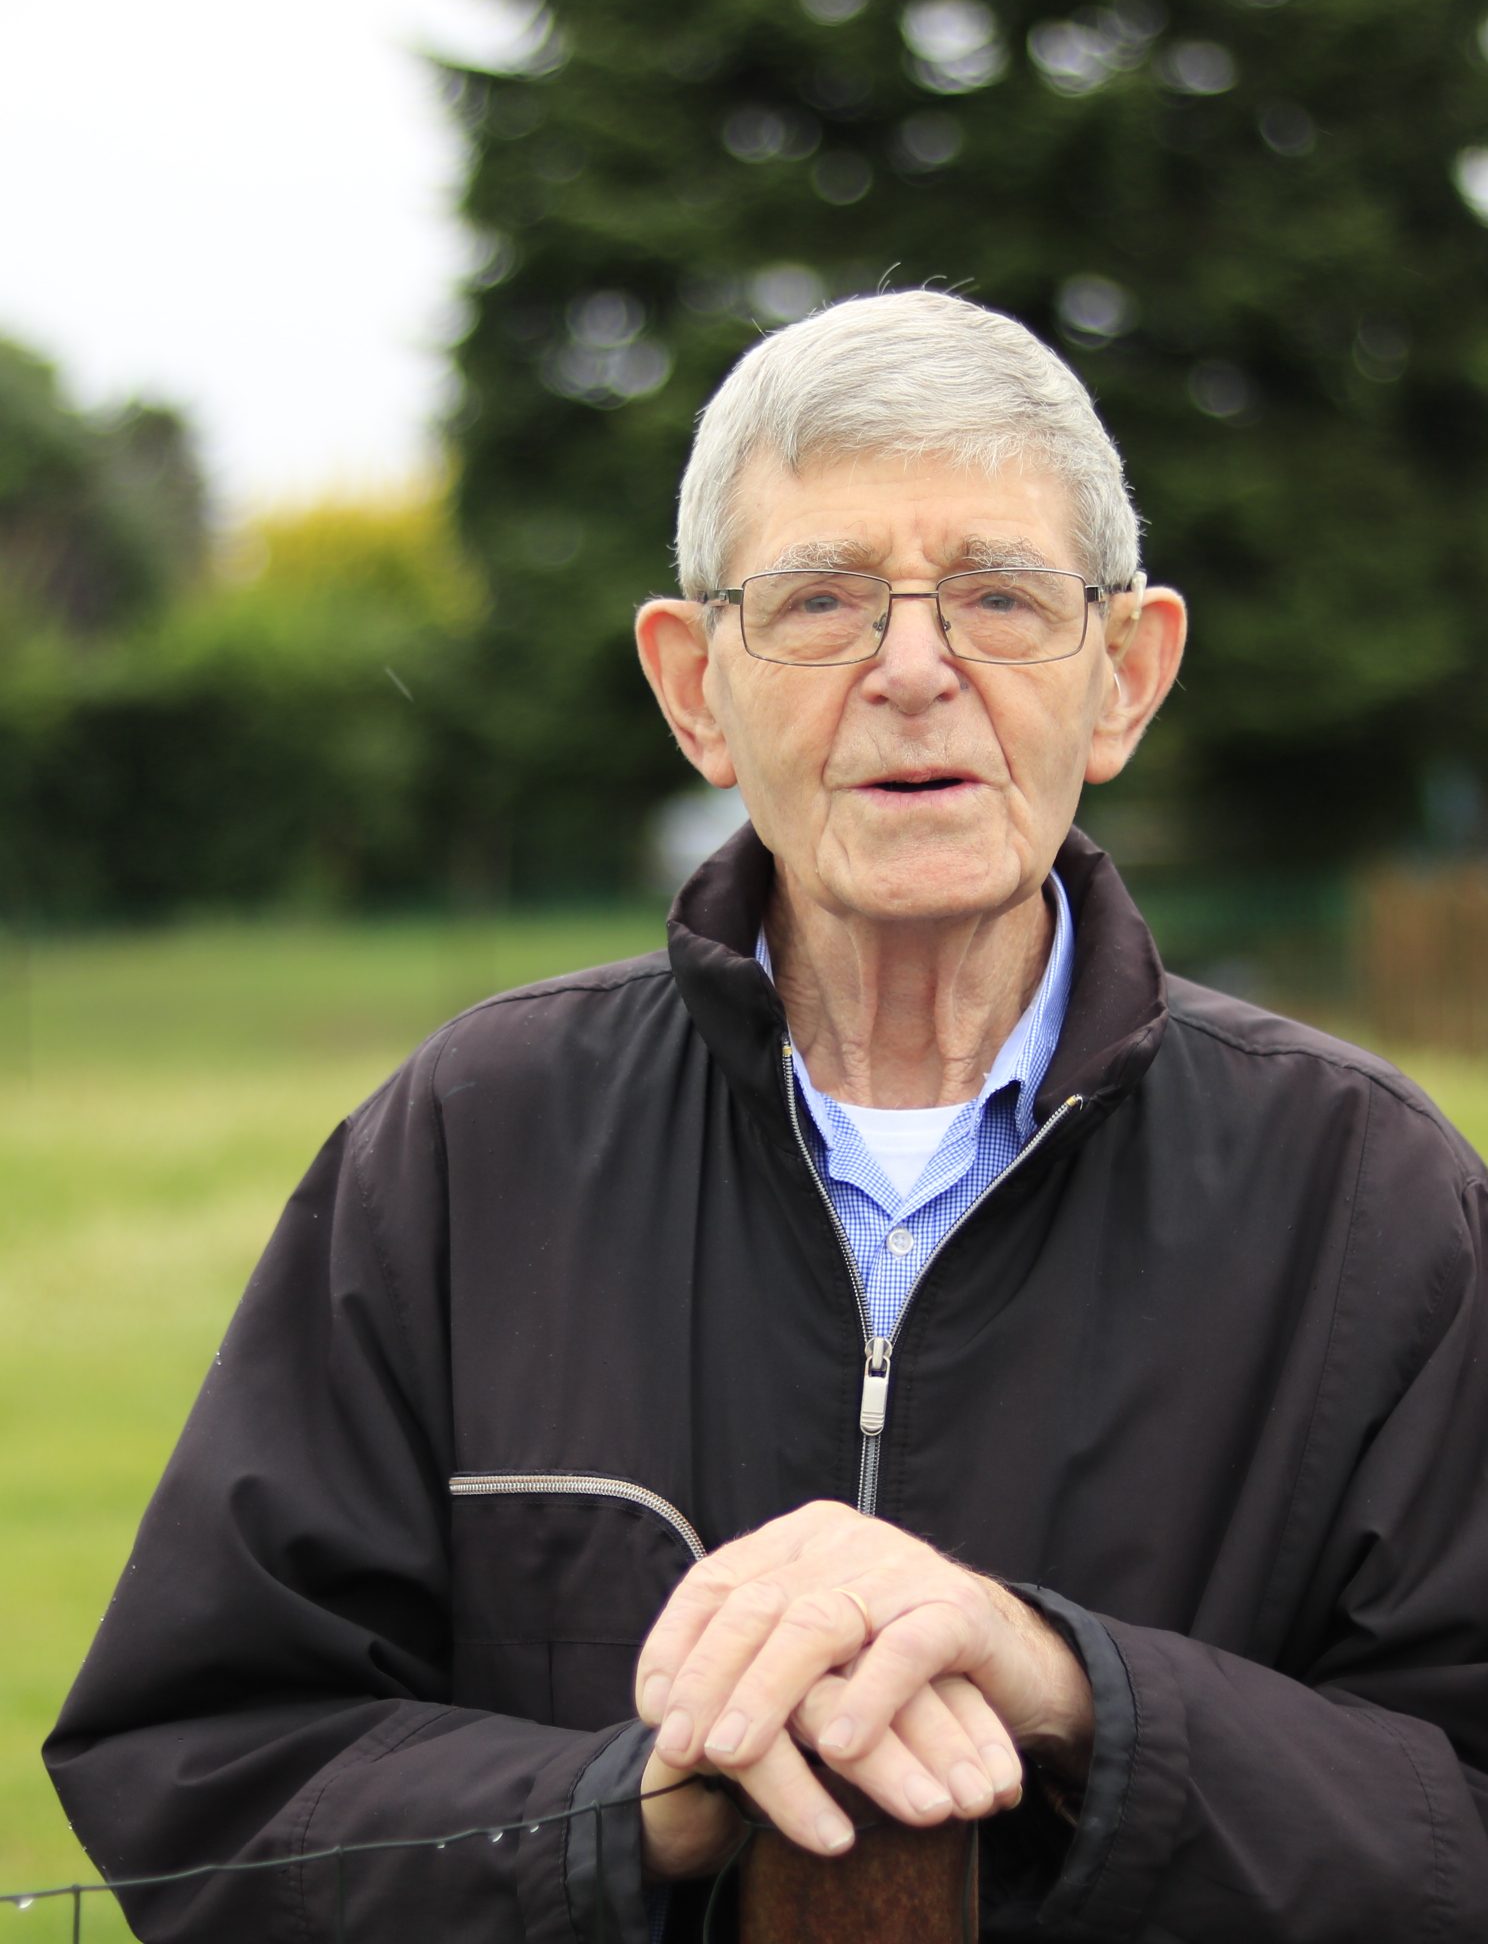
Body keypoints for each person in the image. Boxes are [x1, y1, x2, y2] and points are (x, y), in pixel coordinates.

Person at [46, 290, 1488, 1942]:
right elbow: (206, 1781)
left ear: (1124, 677)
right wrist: (629, 1812)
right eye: (821, 602)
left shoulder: (1372, 1200)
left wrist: (1071, 1693)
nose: (914, 673)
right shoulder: (467, 1147)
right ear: (696, 690)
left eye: (1000, 598)